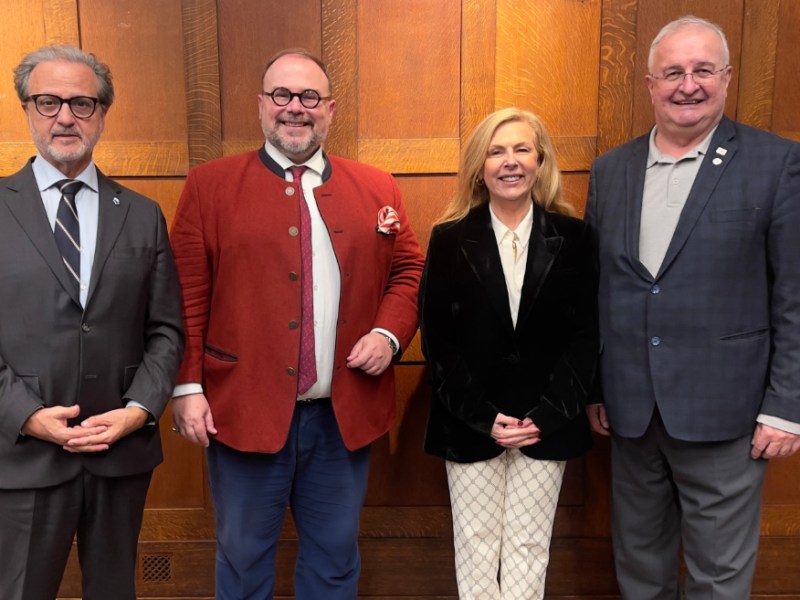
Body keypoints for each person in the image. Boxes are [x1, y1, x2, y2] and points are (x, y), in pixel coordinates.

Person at [169, 47, 424, 599]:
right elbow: (185, 295)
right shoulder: (209, 186)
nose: (295, 108)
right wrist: (187, 386)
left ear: (329, 109)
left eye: (309, 97)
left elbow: (408, 269)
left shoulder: (378, 187)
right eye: (282, 95)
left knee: (334, 562)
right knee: (242, 562)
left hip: (343, 416)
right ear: (261, 106)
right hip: (240, 412)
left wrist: (388, 333)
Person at [585, 15, 800, 599]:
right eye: (673, 72)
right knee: (640, 570)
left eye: (703, 70)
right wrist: (596, 386)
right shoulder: (611, 170)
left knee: (720, 578)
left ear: (726, 78)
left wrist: (786, 407)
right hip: (630, 414)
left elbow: (794, 296)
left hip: (727, 414)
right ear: (650, 83)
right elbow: (600, 289)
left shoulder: (776, 163)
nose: (688, 84)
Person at [0, 45, 184, 600]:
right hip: (24, 454)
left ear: (102, 113)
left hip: (119, 454)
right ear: (27, 109)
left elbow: (166, 329)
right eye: (49, 101)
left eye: (82, 103)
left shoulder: (143, 213)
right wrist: (26, 415)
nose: (64, 117)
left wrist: (137, 410)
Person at [419, 107, 599, 600]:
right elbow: (438, 342)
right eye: (496, 151)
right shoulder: (449, 238)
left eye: (522, 149)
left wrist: (547, 414)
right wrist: (484, 417)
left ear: (540, 161)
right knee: (476, 548)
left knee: (527, 547)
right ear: (480, 168)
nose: (510, 161)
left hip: (546, 425)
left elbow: (586, 337)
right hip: (470, 425)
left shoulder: (577, 238)